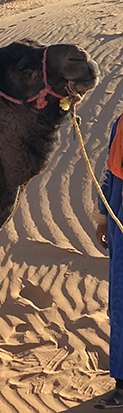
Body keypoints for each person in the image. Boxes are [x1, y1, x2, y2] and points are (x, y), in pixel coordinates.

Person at [94, 113, 123, 409]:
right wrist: (103, 216)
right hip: (119, 220)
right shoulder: (120, 123)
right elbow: (108, 173)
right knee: (120, 303)